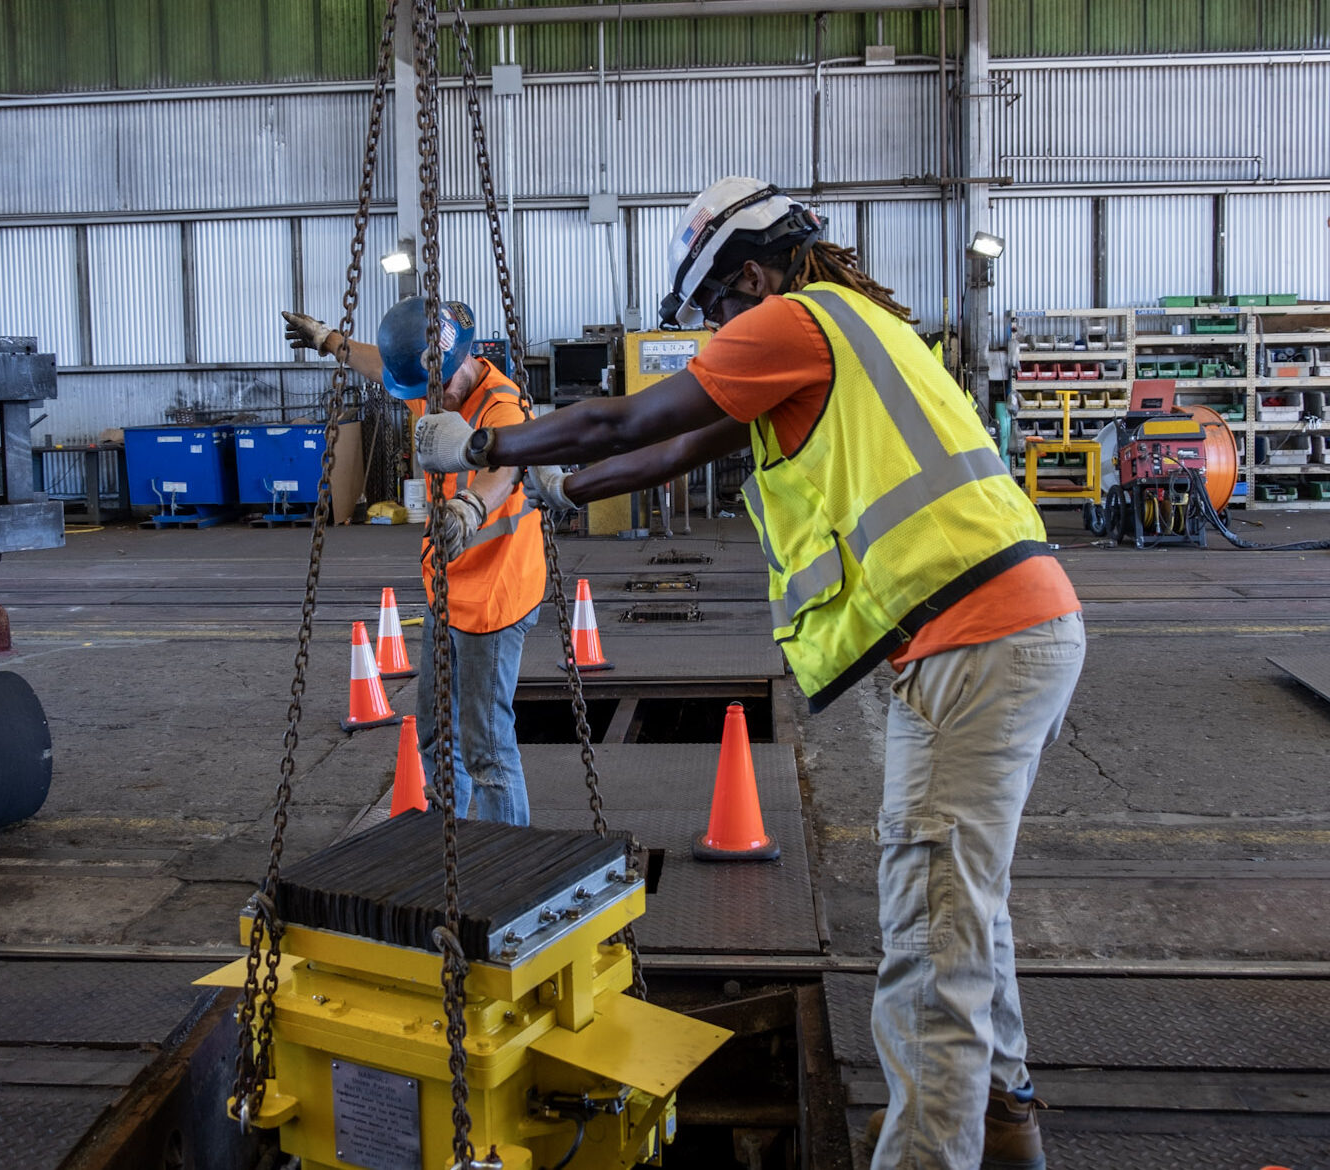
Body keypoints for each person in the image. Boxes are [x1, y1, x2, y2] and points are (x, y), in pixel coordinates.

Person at [410, 177, 1084, 1170]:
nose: (718, 333)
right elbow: (670, 447)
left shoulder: (794, 323)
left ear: (755, 276)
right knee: (957, 908)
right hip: (985, 638)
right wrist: (559, 490)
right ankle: (1003, 1120)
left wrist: (485, 444)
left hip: (970, 643)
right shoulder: (852, 328)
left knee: (926, 937)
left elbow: (617, 421)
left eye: (718, 309)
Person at [282, 298, 545, 825]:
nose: (431, 402)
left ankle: (505, 863)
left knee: (486, 747)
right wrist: (328, 340)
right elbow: (382, 364)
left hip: (495, 597)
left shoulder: (501, 405)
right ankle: (451, 842)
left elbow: (508, 466)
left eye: (438, 388)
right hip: (446, 591)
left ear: (463, 361)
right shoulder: (432, 389)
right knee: (436, 734)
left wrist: (470, 507)